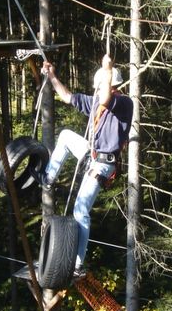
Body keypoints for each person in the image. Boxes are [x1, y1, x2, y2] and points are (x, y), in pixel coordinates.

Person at [34, 54, 133, 277]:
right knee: (67, 135)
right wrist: (52, 77)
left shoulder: (123, 103)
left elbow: (107, 96)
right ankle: (48, 178)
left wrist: (107, 67)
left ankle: (77, 263)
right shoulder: (97, 101)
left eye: (99, 88)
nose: (96, 92)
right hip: (92, 154)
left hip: (104, 164)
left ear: (109, 84)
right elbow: (68, 97)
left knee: (81, 211)